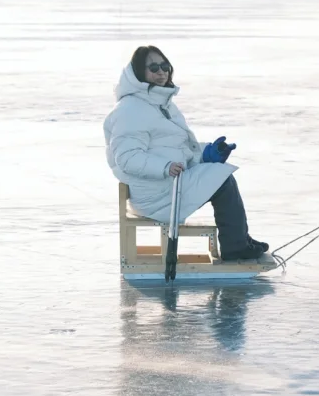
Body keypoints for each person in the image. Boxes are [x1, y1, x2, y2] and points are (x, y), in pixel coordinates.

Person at [103, 46, 269, 262]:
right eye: (153, 67)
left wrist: (206, 154)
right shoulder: (131, 109)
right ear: (138, 73)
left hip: (168, 184)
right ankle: (236, 246)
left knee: (220, 177)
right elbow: (127, 158)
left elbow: (175, 148)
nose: (161, 72)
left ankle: (239, 241)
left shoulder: (160, 104)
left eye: (165, 66)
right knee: (223, 182)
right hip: (155, 193)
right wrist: (164, 167)